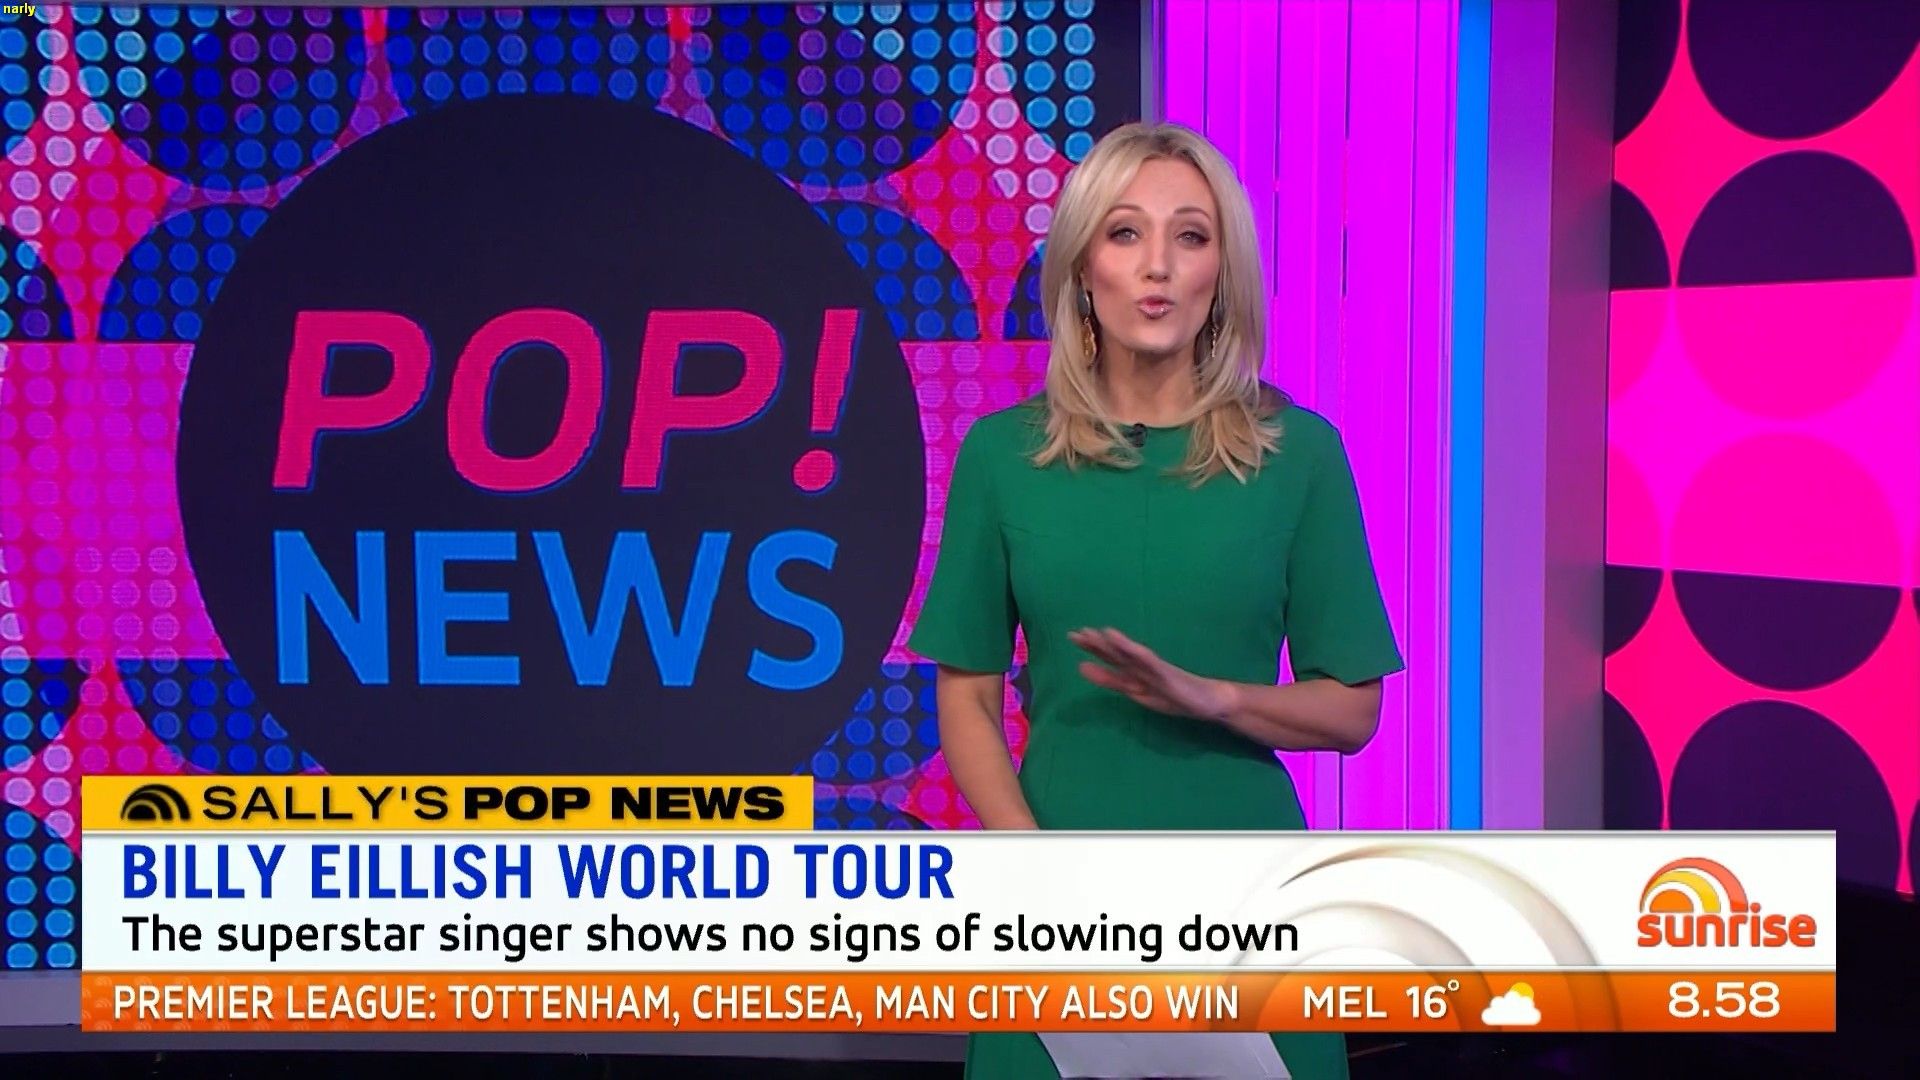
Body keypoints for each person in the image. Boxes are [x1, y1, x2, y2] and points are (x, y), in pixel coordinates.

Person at [904, 121, 1406, 1078]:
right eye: (1126, 232)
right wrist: (1031, 866)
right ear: (1082, 264)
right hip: (1056, 885)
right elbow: (965, 696)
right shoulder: (1002, 457)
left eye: (1192, 236)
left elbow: (1353, 709)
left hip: (1248, 894)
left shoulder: (1301, 455)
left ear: (1224, 269)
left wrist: (1213, 697)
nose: (1159, 267)